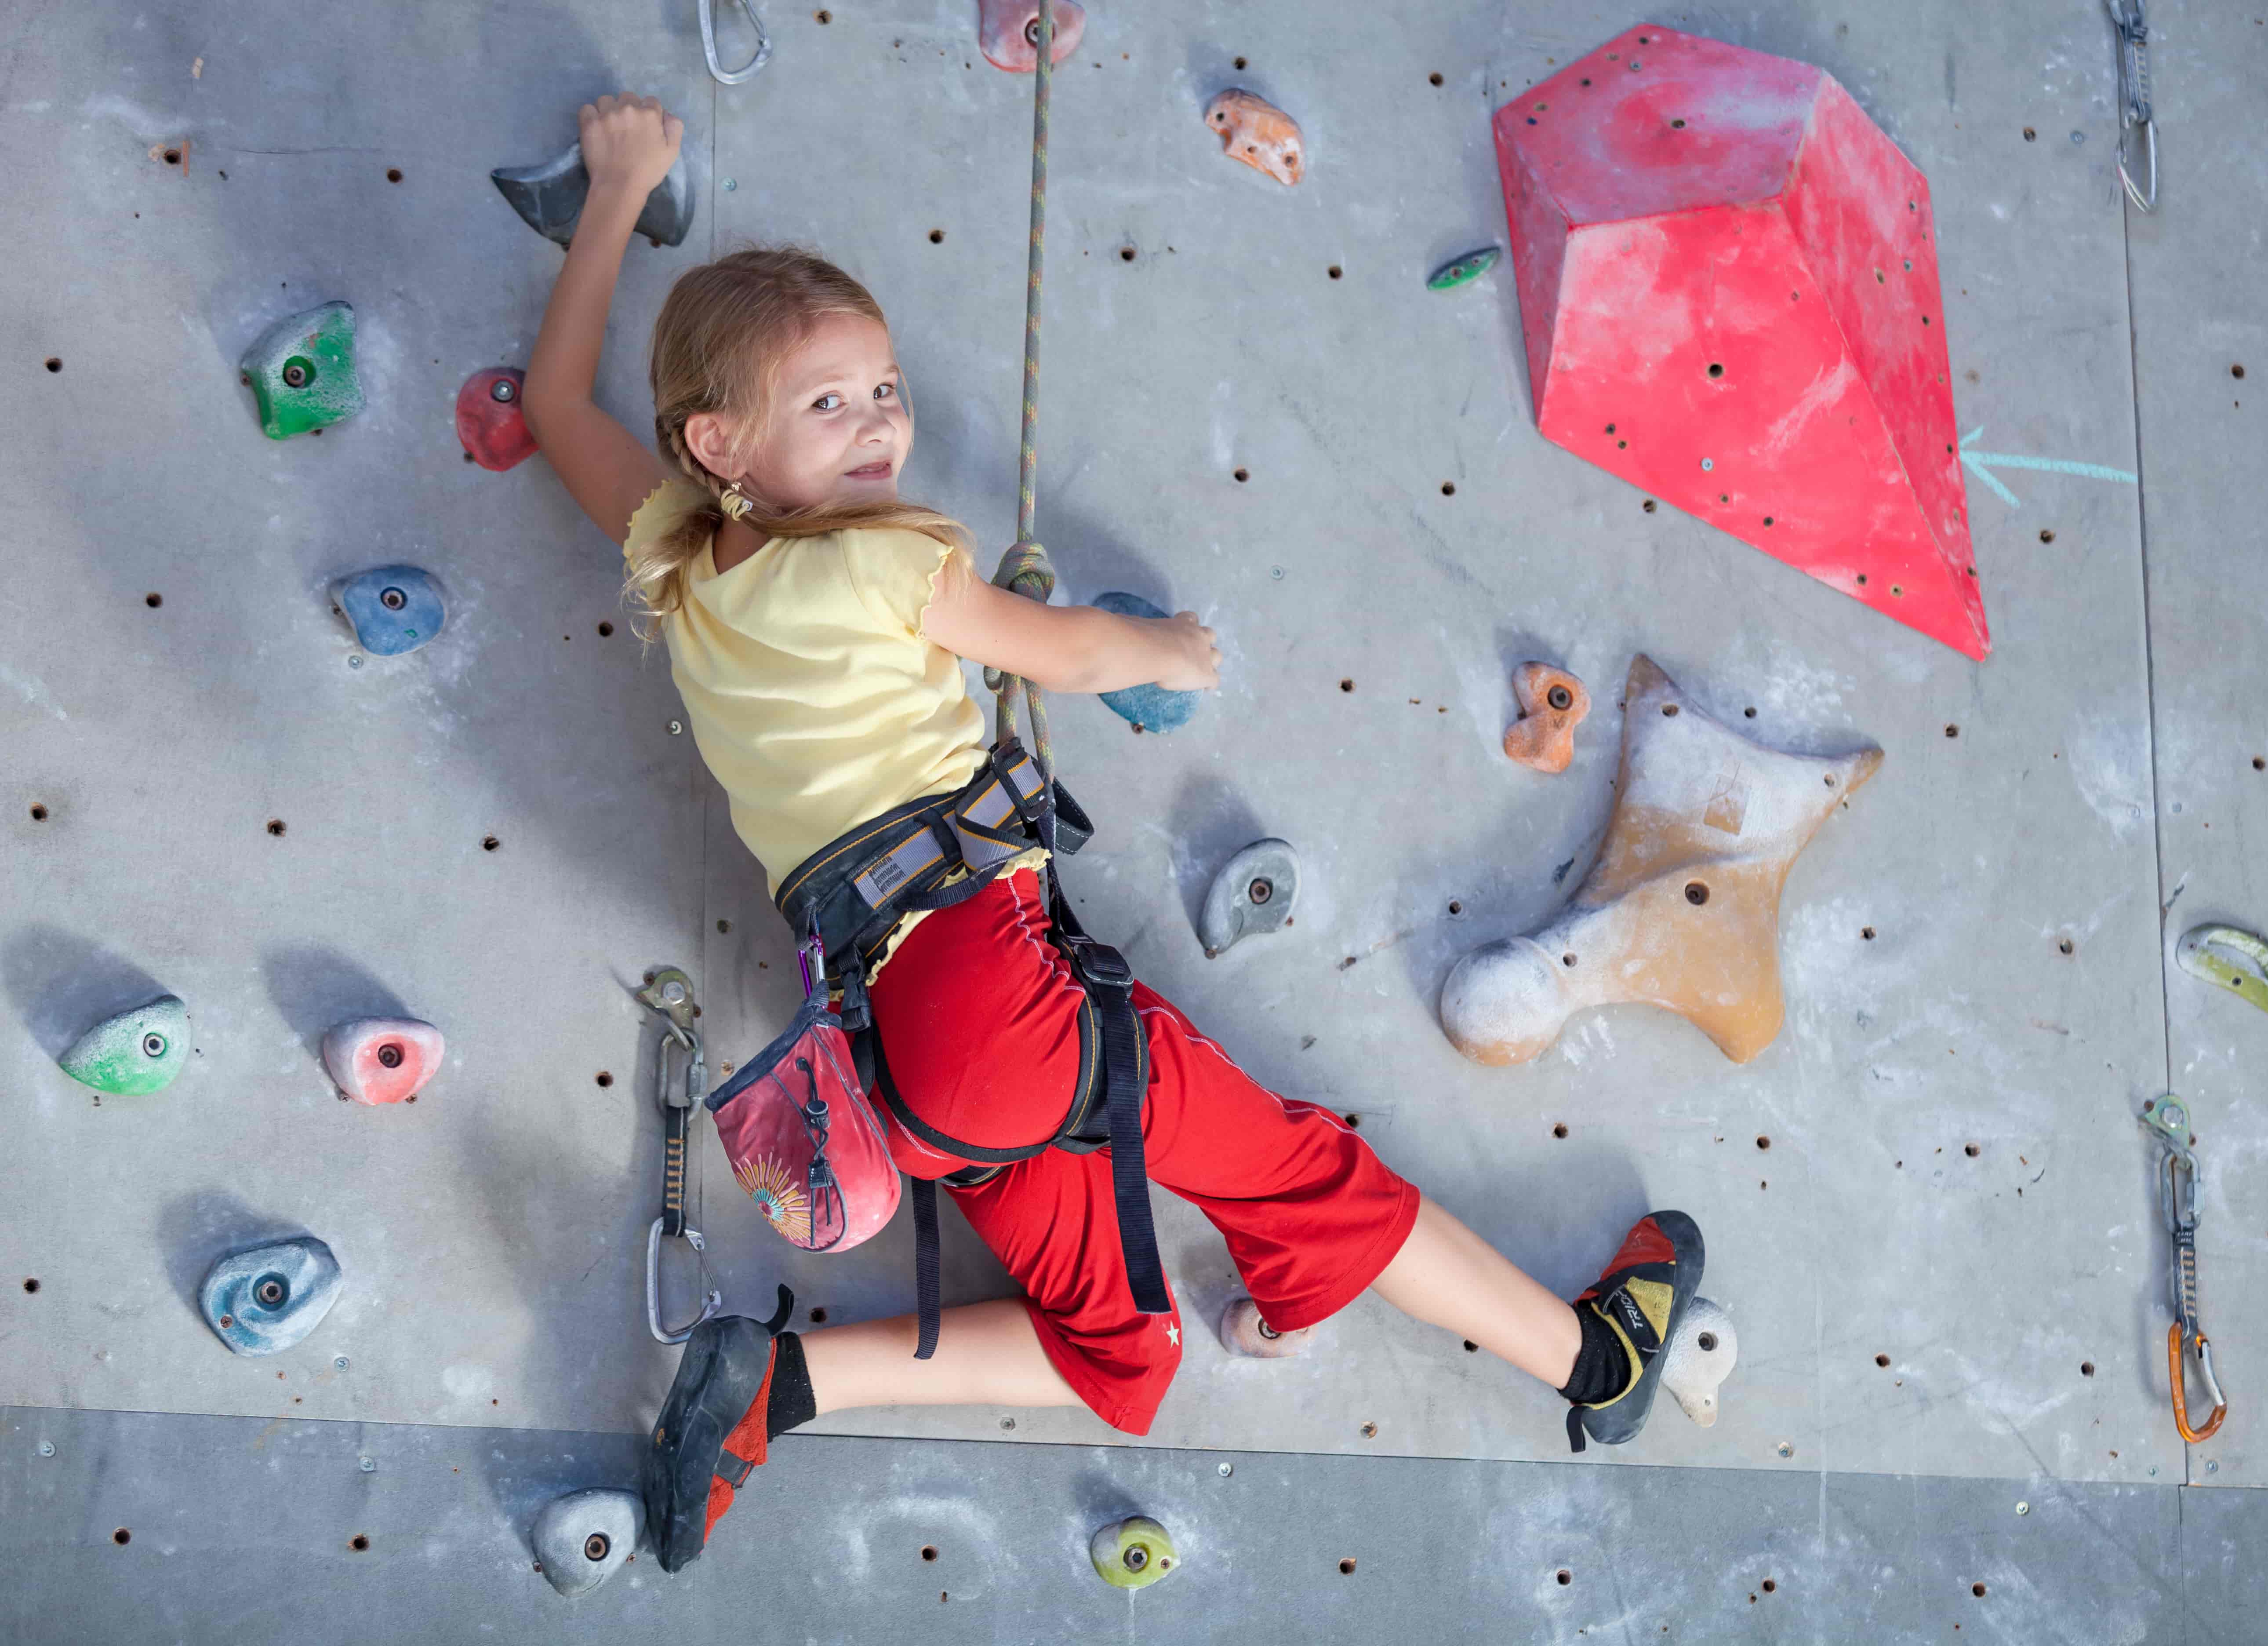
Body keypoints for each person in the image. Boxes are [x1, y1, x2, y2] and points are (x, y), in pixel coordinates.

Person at [524, 93, 1705, 1573]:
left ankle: (784, 1385)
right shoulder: (893, 559)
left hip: (902, 1045)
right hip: (987, 999)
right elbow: (1063, 652)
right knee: (1307, 1181)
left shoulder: (682, 564)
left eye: (880, 388)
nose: (882, 420)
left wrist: (617, 191)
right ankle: (1595, 1362)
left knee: (1121, 1357)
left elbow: (557, 404)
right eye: (831, 404)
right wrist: (1170, 653)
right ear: (721, 441)